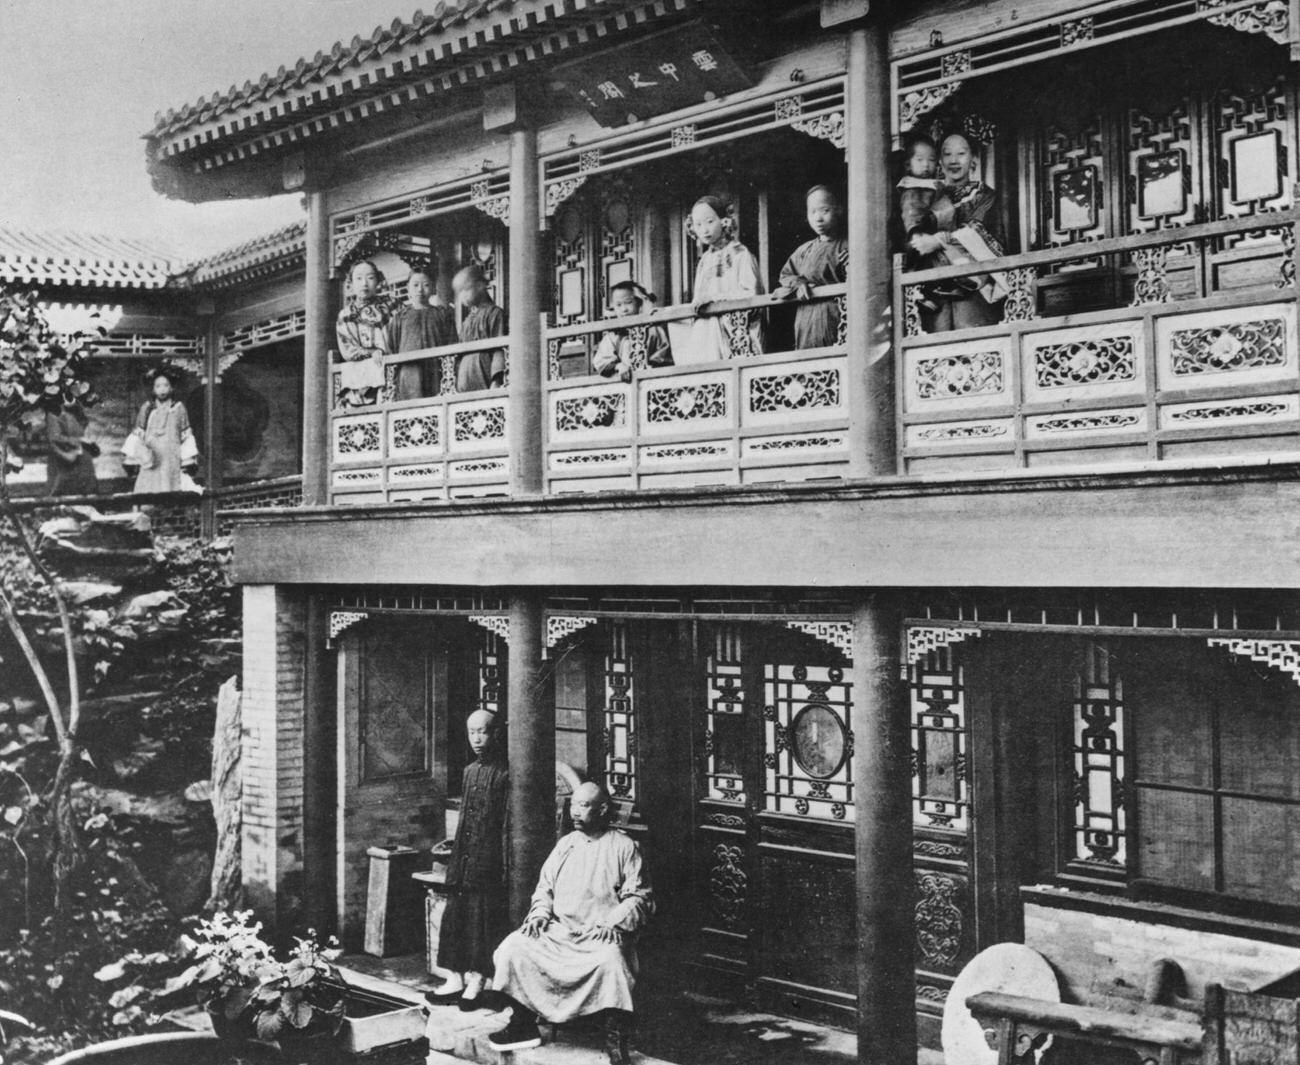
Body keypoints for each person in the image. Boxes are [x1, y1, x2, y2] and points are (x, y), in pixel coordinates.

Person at [489, 782, 653, 1065]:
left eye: (584, 806)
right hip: (559, 932)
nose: (575, 812)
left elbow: (639, 897)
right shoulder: (565, 845)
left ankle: (615, 1040)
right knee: (513, 948)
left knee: (612, 962)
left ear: (602, 809)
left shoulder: (624, 847)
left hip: (598, 936)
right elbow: (545, 888)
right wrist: (540, 914)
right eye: (573, 805)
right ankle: (522, 1023)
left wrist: (612, 922)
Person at [425, 710, 509, 1011]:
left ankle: (478, 980)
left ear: (497, 733)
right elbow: (463, 822)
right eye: (471, 732)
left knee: (480, 922)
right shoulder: (469, 771)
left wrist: (500, 865)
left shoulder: (504, 774)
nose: (477, 738)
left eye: (483, 731)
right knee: (455, 917)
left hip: (488, 863)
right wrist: (456, 859)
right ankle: (455, 978)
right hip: (464, 858)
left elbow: (505, 826)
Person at [907, 132, 1008, 333]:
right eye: (947, 154)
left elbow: (979, 230)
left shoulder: (985, 196)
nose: (954, 160)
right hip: (933, 294)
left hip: (975, 292)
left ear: (973, 159)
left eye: (961, 153)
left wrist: (940, 240)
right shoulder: (928, 194)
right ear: (940, 161)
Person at [670, 195, 763, 364]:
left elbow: (752, 294)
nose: (704, 229)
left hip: (734, 328)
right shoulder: (704, 261)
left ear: (724, 221)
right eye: (698, 224)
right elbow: (697, 302)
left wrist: (714, 300)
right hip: (707, 330)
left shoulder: (741, 254)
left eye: (710, 221)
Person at [774, 185, 849, 350]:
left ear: (839, 210)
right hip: (807, 318)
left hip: (834, 316)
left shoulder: (846, 246)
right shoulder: (804, 251)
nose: (818, 218)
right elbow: (786, 275)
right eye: (812, 212)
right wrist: (800, 283)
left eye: (824, 210)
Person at [386, 268, 456, 400]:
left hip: (435, 370)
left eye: (426, 285)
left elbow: (452, 342)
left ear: (433, 288)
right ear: (408, 288)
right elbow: (392, 348)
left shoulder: (442, 314)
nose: (420, 290)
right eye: (415, 285)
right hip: (409, 372)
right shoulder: (400, 317)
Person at [126, 369, 198, 493]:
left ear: (171, 388)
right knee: (149, 489)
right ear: (153, 389)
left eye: (166, 385)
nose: (162, 389)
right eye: (158, 386)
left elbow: (185, 436)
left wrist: (186, 460)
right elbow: (138, 435)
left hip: (172, 457)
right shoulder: (147, 408)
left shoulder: (179, 408)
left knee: (171, 487)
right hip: (152, 457)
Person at [335, 259, 390, 407]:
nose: (364, 283)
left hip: (388, 366)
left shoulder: (390, 307)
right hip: (359, 370)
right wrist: (371, 352)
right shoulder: (345, 314)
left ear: (378, 281)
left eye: (370, 278)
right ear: (351, 284)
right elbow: (347, 349)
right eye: (358, 278)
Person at [591, 281, 671, 381]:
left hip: (650, 382)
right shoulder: (613, 335)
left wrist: (650, 366)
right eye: (618, 305)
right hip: (623, 386)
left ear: (638, 303)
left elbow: (663, 354)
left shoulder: (653, 329)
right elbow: (601, 361)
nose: (624, 309)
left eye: (628, 303)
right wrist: (619, 366)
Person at [452, 265, 506, 392]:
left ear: (480, 285)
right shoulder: (466, 322)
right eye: (459, 292)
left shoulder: (494, 313)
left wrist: (496, 380)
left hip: (484, 377)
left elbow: (499, 349)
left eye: (466, 289)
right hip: (465, 381)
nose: (463, 296)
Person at [45, 400, 99, 496]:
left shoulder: (77, 410)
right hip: (64, 455)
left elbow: (83, 423)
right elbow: (54, 437)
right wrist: (79, 440)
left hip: (79, 453)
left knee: (88, 482)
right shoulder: (55, 413)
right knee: (62, 487)